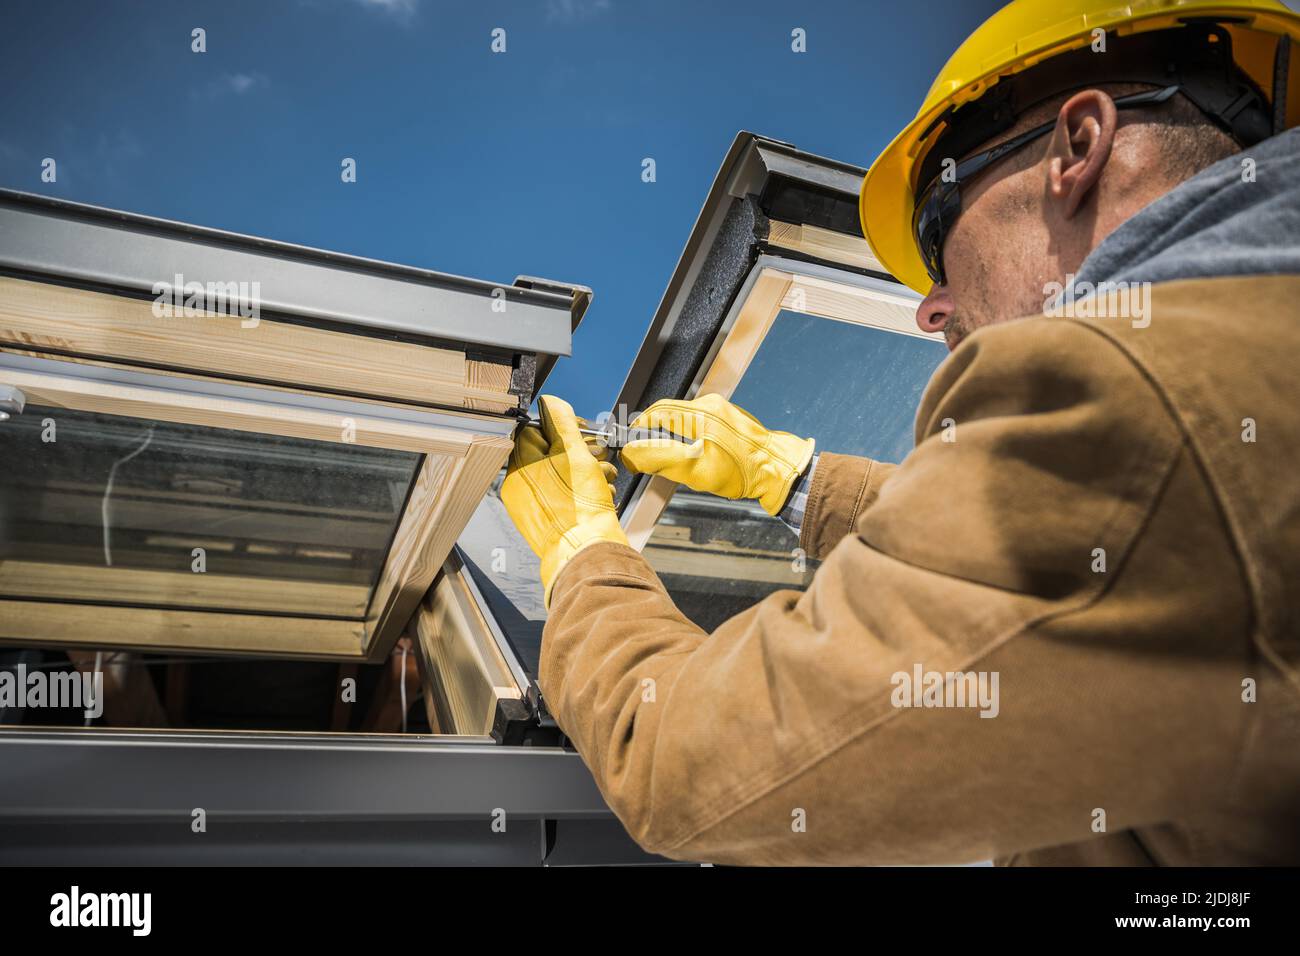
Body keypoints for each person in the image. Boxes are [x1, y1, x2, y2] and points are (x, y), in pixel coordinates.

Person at [500, 0, 1300, 865]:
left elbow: (694, 766)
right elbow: (1063, 565)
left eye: (937, 228)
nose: (931, 308)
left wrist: (585, 556)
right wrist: (787, 476)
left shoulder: (1139, 396)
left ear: (1079, 147)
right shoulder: (1243, 360)